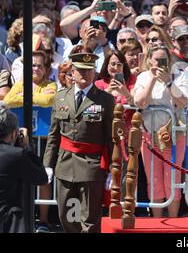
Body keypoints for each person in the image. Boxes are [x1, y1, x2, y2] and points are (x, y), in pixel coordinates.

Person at [43, 53, 115, 233]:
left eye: (89, 70)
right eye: (80, 70)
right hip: (65, 164)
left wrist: (114, 168)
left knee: (89, 220)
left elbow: (111, 138)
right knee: (66, 216)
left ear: (95, 72)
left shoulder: (105, 100)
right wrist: (48, 165)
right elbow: (54, 135)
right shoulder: (61, 97)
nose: (84, 74)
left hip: (92, 166)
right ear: (72, 72)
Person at [133, 45, 188, 218]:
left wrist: (169, 82)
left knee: (172, 179)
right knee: (154, 180)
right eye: (157, 59)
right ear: (150, 60)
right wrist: (152, 79)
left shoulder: (177, 75)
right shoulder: (143, 77)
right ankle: (156, 222)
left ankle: (173, 220)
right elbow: (139, 102)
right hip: (149, 134)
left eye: (164, 59)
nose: (160, 63)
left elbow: (183, 102)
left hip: (173, 135)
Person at [0, 104, 47, 233]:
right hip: (9, 221)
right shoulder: (15, 155)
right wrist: (27, 148)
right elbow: (42, 177)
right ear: (14, 133)